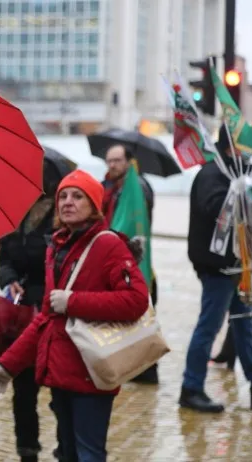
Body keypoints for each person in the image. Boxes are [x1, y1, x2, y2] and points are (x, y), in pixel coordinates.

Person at [0, 170, 149, 462]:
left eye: (78, 196)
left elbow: (136, 300)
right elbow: (47, 317)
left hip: (93, 367)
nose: (67, 202)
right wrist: (9, 366)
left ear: (94, 205)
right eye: (63, 195)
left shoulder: (107, 244)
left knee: (88, 453)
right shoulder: (58, 246)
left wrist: (74, 301)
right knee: (68, 453)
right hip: (61, 372)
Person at [181, 129, 252, 413]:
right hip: (217, 266)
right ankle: (191, 388)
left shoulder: (235, 173)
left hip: (238, 264)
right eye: (246, 147)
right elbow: (215, 208)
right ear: (233, 147)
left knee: (246, 325)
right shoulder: (213, 174)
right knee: (209, 326)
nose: (250, 154)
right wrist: (241, 192)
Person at [0, 158, 68, 462]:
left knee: (61, 391)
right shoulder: (16, 213)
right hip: (22, 312)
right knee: (23, 389)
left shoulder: (61, 215)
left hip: (54, 313)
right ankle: (27, 450)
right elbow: (5, 260)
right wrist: (9, 280)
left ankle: (67, 449)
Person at [101, 144, 159, 384]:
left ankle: (147, 371)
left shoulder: (138, 188)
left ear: (129, 162)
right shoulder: (110, 186)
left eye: (117, 160)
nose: (112, 165)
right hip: (117, 259)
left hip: (134, 260)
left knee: (141, 315)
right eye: (109, 161)